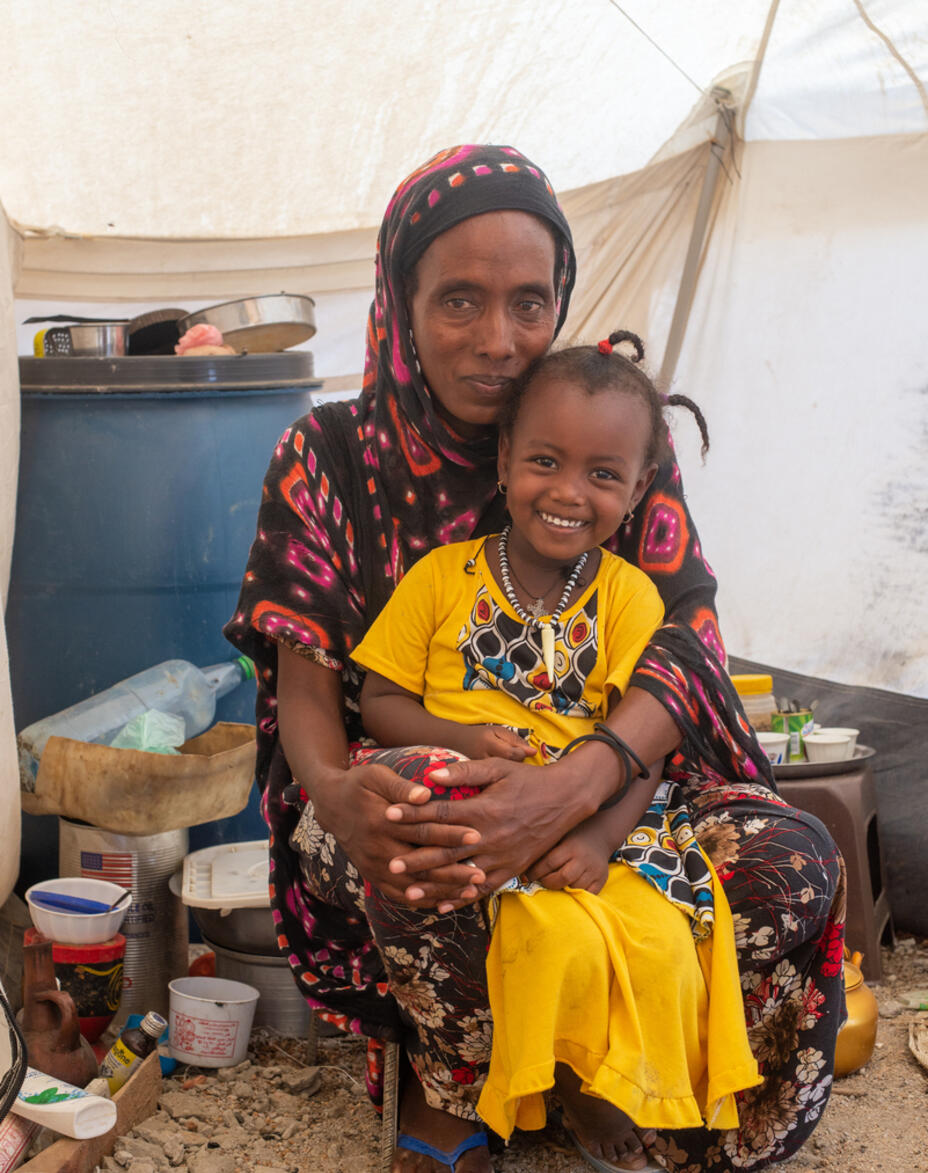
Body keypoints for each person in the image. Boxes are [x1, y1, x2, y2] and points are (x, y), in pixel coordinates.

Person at [225, 144, 846, 1173]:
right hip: (416, 787)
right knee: (424, 814)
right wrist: (334, 794)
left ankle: (608, 1055)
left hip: (620, 793)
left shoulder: (611, 426)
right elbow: (311, 678)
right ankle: (458, 1079)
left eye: (529, 302)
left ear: (561, 297)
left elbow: (685, 643)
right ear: (400, 300)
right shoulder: (326, 456)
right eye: (458, 301)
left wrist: (576, 792)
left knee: (794, 862)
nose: (497, 340)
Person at [351, 341, 763, 1164]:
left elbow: (645, 751)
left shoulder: (628, 596)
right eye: (545, 461)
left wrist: (600, 838)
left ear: (638, 490)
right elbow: (379, 701)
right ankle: (540, 1084)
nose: (569, 492)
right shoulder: (441, 578)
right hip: (469, 805)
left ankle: (607, 1081)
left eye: (603, 474)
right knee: (542, 929)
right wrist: (463, 740)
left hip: (588, 819)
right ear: (505, 459)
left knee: (658, 937)